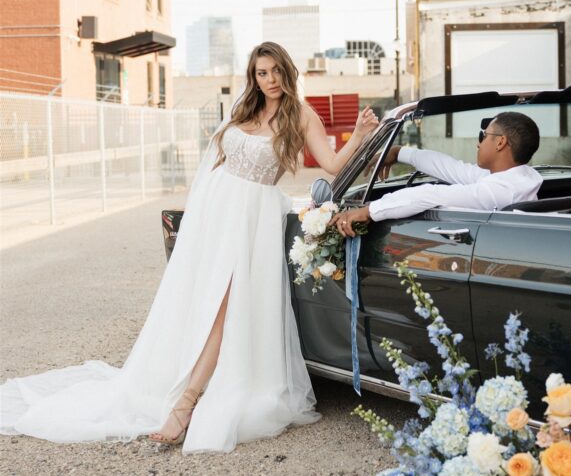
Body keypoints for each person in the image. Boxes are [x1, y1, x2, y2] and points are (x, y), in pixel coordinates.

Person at [0, 43, 379, 453]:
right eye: (261, 73)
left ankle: (186, 403)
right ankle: (181, 384)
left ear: (288, 71)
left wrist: (358, 135)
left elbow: (332, 165)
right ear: (253, 77)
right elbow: (215, 164)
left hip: (254, 218)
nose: (269, 80)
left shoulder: (301, 115)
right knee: (200, 300)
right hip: (217, 214)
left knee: (225, 306)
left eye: (274, 72)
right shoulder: (243, 111)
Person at [332, 111, 541, 236]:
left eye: (483, 136)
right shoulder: (517, 179)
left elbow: (430, 195)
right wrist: (398, 153)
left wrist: (369, 211)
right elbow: (452, 168)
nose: (478, 143)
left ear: (501, 142)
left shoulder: (502, 190)